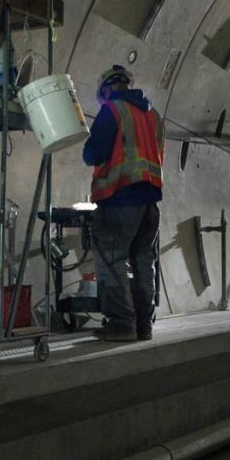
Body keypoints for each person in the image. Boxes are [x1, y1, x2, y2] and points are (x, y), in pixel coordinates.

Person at [82, 65, 165, 341]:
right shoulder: (153, 115)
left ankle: (121, 324)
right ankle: (144, 325)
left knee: (111, 260)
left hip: (119, 198)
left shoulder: (113, 111)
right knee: (143, 262)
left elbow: (93, 154)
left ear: (106, 89)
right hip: (149, 202)